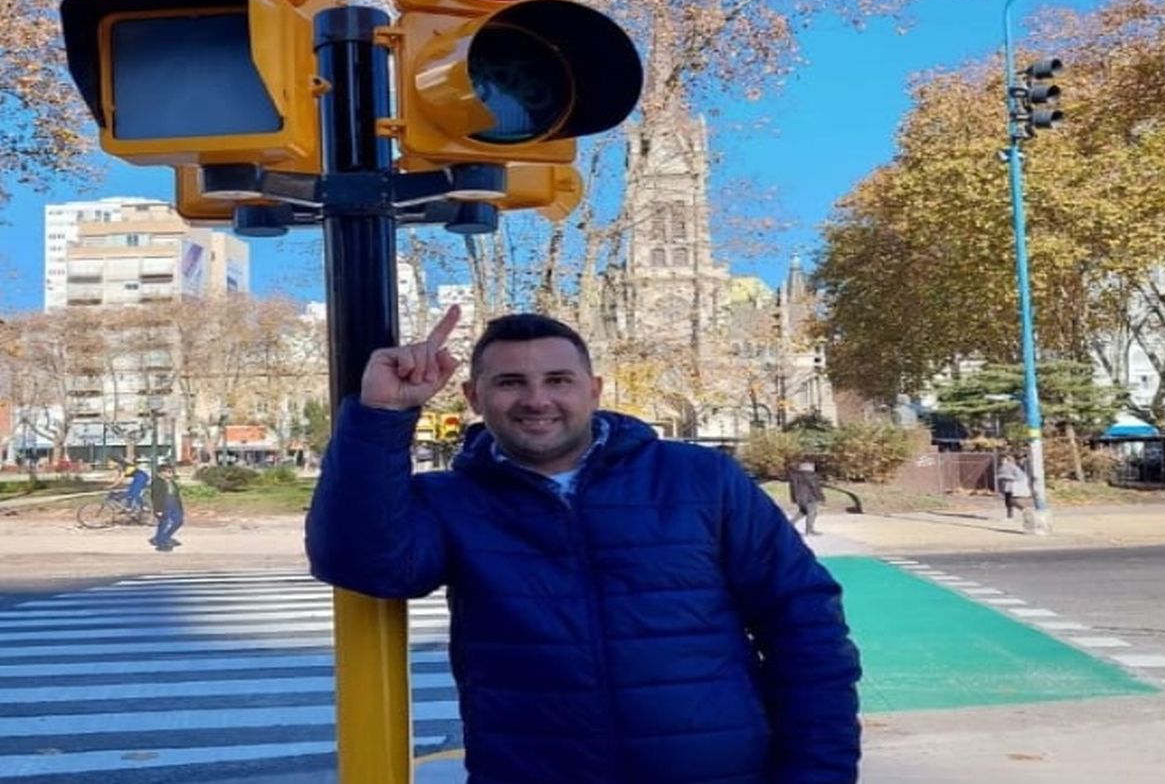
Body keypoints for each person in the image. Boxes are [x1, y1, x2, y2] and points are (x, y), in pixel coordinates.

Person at [307, 308, 861, 783]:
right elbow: (362, 564)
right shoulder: (452, 500)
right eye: (509, 383)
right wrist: (382, 415)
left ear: (593, 390)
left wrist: (818, 773)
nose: (536, 399)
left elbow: (804, 626)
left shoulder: (700, 479)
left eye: (558, 380)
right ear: (474, 397)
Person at [149, 462, 184, 552]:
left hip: (174, 504)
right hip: (164, 505)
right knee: (164, 524)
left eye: (171, 472)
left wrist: (180, 508)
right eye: (168, 472)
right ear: (161, 473)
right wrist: (158, 509)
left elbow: (177, 495)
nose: (170, 474)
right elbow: (155, 497)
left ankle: (164, 537)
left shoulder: (172, 483)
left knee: (178, 521)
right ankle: (162, 543)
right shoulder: (157, 483)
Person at [788, 459, 826, 536]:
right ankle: (809, 530)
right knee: (812, 513)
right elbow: (815, 487)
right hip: (810, 498)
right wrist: (821, 498)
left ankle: (788, 525)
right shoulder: (811, 476)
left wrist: (794, 499)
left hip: (800, 498)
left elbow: (792, 489)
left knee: (803, 512)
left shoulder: (795, 476)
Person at [997, 454, 1034, 532]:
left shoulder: (1012, 467)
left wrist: (1006, 477)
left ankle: (1025, 510)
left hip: (1013, 486)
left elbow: (1020, 476)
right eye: (1001, 460)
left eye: (1004, 460)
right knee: (1008, 500)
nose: (1002, 461)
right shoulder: (1003, 467)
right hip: (1007, 487)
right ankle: (1011, 516)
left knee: (1013, 501)